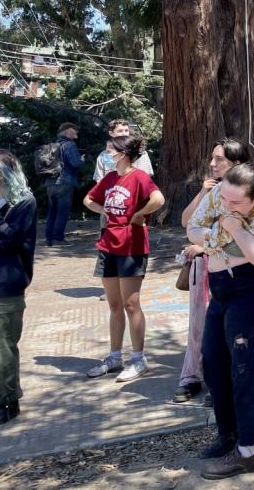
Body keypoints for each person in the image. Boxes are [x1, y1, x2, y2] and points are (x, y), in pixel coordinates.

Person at [187, 162, 254, 479]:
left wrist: (234, 231)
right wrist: (232, 246)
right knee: (215, 365)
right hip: (221, 293)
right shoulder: (223, 193)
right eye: (224, 199)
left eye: (235, 203)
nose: (226, 206)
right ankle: (228, 436)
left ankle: (249, 451)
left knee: (246, 370)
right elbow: (193, 227)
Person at [175, 138, 253, 405]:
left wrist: (203, 245)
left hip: (236, 270)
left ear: (238, 164)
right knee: (200, 326)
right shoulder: (211, 192)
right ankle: (192, 377)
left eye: (219, 159)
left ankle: (225, 382)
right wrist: (201, 194)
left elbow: (247, 234)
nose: (212, 164)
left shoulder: (251, 193)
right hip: (206, 267)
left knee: (230, 330)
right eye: (212, 158)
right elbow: (187, 221)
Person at [82, 135, 165, 382]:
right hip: (108, 246)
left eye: (112, 149)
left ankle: (138, 358)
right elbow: (88, 199)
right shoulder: (110, 178)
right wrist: (103, 210)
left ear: (124, 153)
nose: (108, 151)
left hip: (131, 247)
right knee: (114, 305)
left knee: (131, 304)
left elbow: (158, 199)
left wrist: (140, 214)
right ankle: (114, 356)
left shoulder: (139, 176)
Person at [0, 149, 36, 426]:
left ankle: (7, 401)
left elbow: (10, 242)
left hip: (6, 284)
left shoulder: (24, 202)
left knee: (2, 347)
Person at [44, 122, 83, 246]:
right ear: (68, 132)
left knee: (52, 211)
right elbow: (75, 163)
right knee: (62, 211)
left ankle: (49, 238)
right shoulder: (69, 145)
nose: (76, 133)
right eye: (74, 131)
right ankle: (58, 239)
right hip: (64, 181)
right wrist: (82, 160)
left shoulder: (53, 145)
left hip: (50, 183)